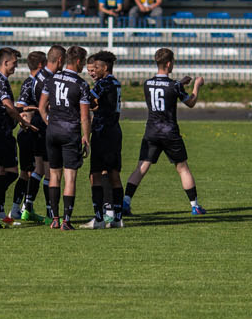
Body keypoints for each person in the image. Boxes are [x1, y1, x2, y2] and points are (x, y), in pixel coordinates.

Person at [123, 48, 205, 218]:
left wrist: (180, 83)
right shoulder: (174, 86)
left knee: (141, 167)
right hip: (169, 132)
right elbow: (190, 102)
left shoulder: (147, 84)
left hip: (151, 131)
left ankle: (125, 202)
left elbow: (164, 90)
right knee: (182, 168)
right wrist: (196, 86)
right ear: (168, 63)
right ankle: (195, 206)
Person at [37, 44, 93, 230]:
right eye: (83, 62)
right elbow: (85, 117)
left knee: (54, 174)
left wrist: (50, 123)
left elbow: (41, 107)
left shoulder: (51, 79)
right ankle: (66, 221)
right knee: (70, 177)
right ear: (77, 61)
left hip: (52, 131)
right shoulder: (81, 84)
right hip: (70, 132)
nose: (83, 66)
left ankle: (55, 218)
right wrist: (86, 137)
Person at [0, 47, 26, 226]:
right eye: (14, 63)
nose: (16, 66)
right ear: (6, 62)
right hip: (0, 132)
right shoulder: (0, 81)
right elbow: (7, 106)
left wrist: (22, 109)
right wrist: (22, 121)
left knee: (0, 170)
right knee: (12, 172)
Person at [85, 51, 124, 227]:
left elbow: (87, 98)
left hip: (102, 132)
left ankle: (99, 218)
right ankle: (117, 218)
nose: (94, 70)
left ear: (105, 67)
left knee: (95, 175)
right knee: (114, 173)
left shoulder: (103, 83)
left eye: (96, 67)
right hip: (115, 131)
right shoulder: (116, 82)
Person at [11, 50, 52, 222]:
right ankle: (19, 208)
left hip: (31, 132)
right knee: (32, 171)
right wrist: (31, 115)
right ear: (42, 65)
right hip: (32, 132)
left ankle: (26, 207)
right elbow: (21, 108)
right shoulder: (34, 83)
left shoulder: (30, 82)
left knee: (34, 171)